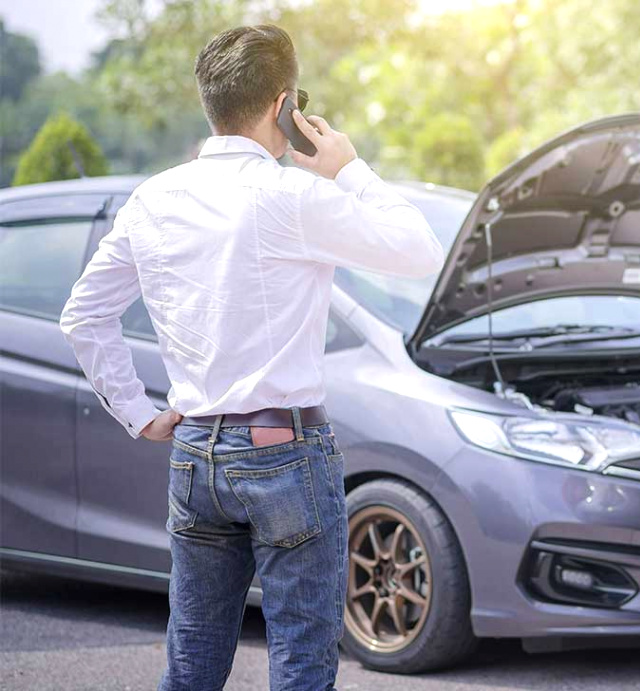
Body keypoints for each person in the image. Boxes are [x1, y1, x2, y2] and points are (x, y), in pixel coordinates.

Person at [59, 24, 444, 691]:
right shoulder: (292, 196)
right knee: (299, 660)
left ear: (212, 102)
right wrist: (348, 167)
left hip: (194, 452)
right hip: (285, 452)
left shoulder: (152, 199)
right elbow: (418, 250)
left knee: (193, 660)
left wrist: (137, 413)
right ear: (284, 105)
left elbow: (83, 315)